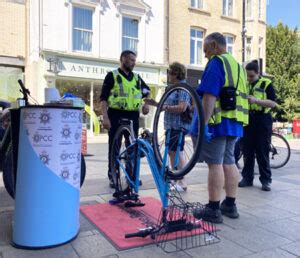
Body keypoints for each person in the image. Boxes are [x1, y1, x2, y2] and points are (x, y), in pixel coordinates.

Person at [192, 32, 249, 223]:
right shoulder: (238, 66)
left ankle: (213, 208)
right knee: (229, 161)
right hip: (235, 122)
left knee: (215, 164)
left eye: (206, 50)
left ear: (215, 46)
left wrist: (204, 124)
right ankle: (230, 205)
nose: (205, 55)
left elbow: (209, 96)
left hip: (218, 121)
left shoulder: (217, 62)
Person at [100, 50, 150, 188]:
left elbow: (147, 92)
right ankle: (113, 176)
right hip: (115, 114)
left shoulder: (137, 78)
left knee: (132, 147)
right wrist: (105, 118)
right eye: (131, 60)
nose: (134, 63)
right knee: (114, 147)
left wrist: (146, 104)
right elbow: (103, 99)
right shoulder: (112, 76)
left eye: (135, 60)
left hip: (132, 115)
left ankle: (132, 176)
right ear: (123, 59)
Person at [145, 62, 191, 192]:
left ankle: (182, 182)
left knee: (177, 152)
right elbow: (164, 105)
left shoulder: (182, 87)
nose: (168, 75)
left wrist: (164, 107)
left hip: (179, 125)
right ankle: (175, 178)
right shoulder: (171, 88)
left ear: (175, 73)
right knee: (172, 152)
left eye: (169, 72)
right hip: (170, 125)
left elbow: (182, 107)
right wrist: (155, 104)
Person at [238, 60, 277, 191]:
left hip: (262, 120)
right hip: (248, 119)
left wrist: (256, 100)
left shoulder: (267, 84)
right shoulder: (245, 84)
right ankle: (247, 178)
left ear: (258, 73)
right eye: (247, 76)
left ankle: (266, 180)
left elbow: (272, 103)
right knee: (247, 151)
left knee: (262, 151)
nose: (249, 78)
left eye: (251, 76)